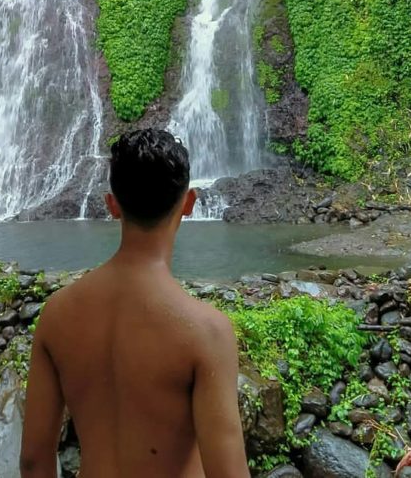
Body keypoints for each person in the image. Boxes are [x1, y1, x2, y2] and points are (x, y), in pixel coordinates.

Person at [19, 128, 250, 478]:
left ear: (112, 205)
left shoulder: (57, 314)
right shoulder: (206, 331)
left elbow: (33, 461)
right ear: (189, 203)